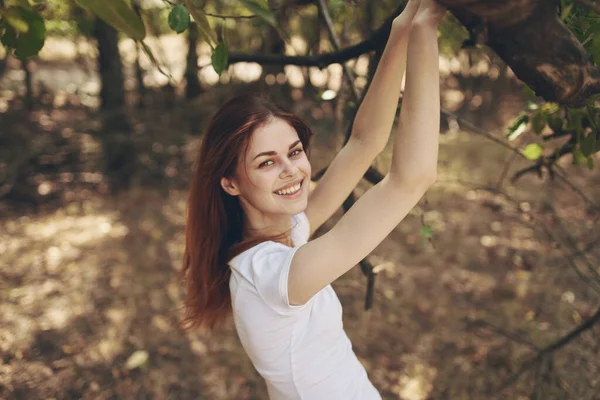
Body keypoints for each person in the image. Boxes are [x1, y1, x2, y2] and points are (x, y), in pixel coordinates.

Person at [182, 0, 446, 398]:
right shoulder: (275, 276)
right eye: (266, 162)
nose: (291, 171)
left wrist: (403, 27)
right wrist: (427, 30)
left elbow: (364, 141)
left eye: (294, 151)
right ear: (231, 183)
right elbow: (412, 178)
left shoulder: (282, 233)